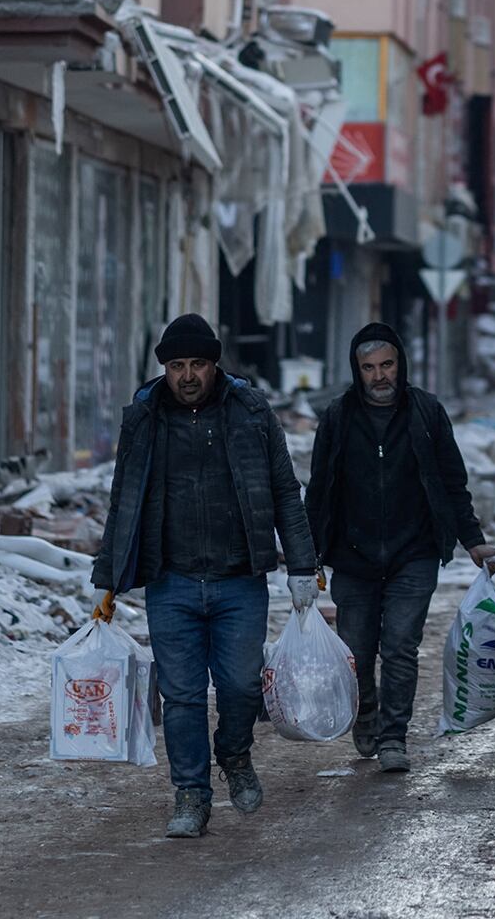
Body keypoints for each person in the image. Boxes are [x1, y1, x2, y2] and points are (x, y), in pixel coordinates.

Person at [89, 313, 319, 839]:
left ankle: (235, 754)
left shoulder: (251, 409)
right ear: (164, 369)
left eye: (197, 364)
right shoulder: (145, 416)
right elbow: (124, 497)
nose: (187, 375)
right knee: (182, 694)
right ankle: (191, 793)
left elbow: (284, 490)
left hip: (240, 577)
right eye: (176, 365)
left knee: (240, 686)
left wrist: (303, 565)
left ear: (215, 365)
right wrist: (108, 577)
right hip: (171, 580)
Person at [306, 322, 495, 774]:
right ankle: (367, 713)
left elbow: (453, 482)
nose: (379, 376)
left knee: (399, 647)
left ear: (400, 364)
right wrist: (308, 554)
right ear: (357, 371)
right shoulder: (337, 417)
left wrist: (472, 540)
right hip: (353, 556)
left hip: (414, 552)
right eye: (368, 367)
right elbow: (319, 490)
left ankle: (394, 736)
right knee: (357, 648)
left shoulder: (426, 413)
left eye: (386, 364)